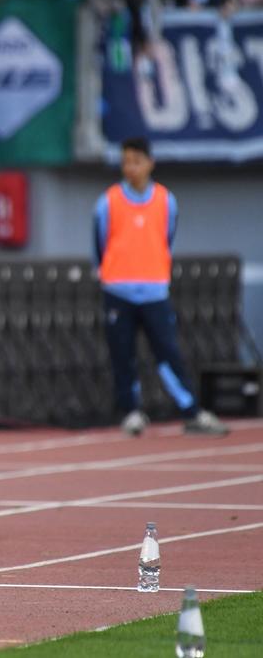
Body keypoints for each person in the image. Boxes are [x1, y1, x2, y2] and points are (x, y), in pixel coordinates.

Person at [93, 137, 228, 437]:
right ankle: (131, 411)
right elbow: (100, 245)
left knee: (168, 352)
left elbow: (167, 238)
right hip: (118, 291)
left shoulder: (166, 201)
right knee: (122, 354)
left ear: (150, 163)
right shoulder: (108, 202)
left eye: (137, 161)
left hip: (154, 291)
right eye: (126, 161)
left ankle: (190, 410)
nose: (131, 168)